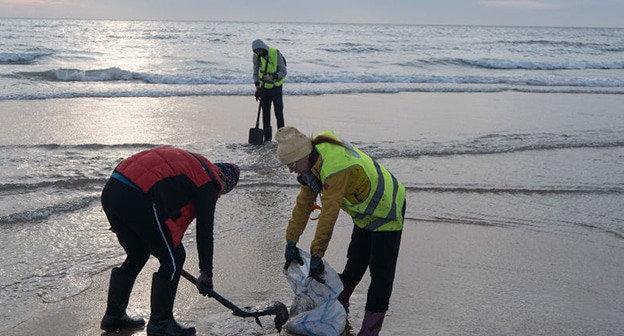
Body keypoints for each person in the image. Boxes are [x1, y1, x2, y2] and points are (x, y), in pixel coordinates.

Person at [276, 127, 406, 336]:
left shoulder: (335, 167)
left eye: (292, 164)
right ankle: (339, 308)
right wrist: (290, 242)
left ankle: (369, 331)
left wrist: (317, 254)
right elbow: (302, 206)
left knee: (380, 275)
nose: (291, 170)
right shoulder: (312, 166)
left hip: (387, 209)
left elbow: (329, 213)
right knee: (355, 262)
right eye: (287, 166)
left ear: (304, 155)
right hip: (364, 214)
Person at [99, 146, 240, 336]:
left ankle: (114, 316)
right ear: (224, 181)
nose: (219, 196)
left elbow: (164, 199)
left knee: (138, 254)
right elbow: (204, 230)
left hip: (113, 191)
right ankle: (161, 323)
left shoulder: (194, 167)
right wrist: (206, 271)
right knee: (174, 257)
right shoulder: (210, 182)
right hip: (136, 195)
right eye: (222, 193)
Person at [252, 38, 287, 142]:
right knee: (265, 114)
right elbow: (255, 72)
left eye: (260, 50)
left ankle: (282, 139)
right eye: (256, 51)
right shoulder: (256, 57)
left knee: (279, 113)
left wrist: (273, 76)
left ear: (263, 48)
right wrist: (257, 87)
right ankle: (267, 140)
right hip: (264, 89)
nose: (259, 53)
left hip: (276, 88)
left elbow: (283, 71)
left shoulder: (276, 53)